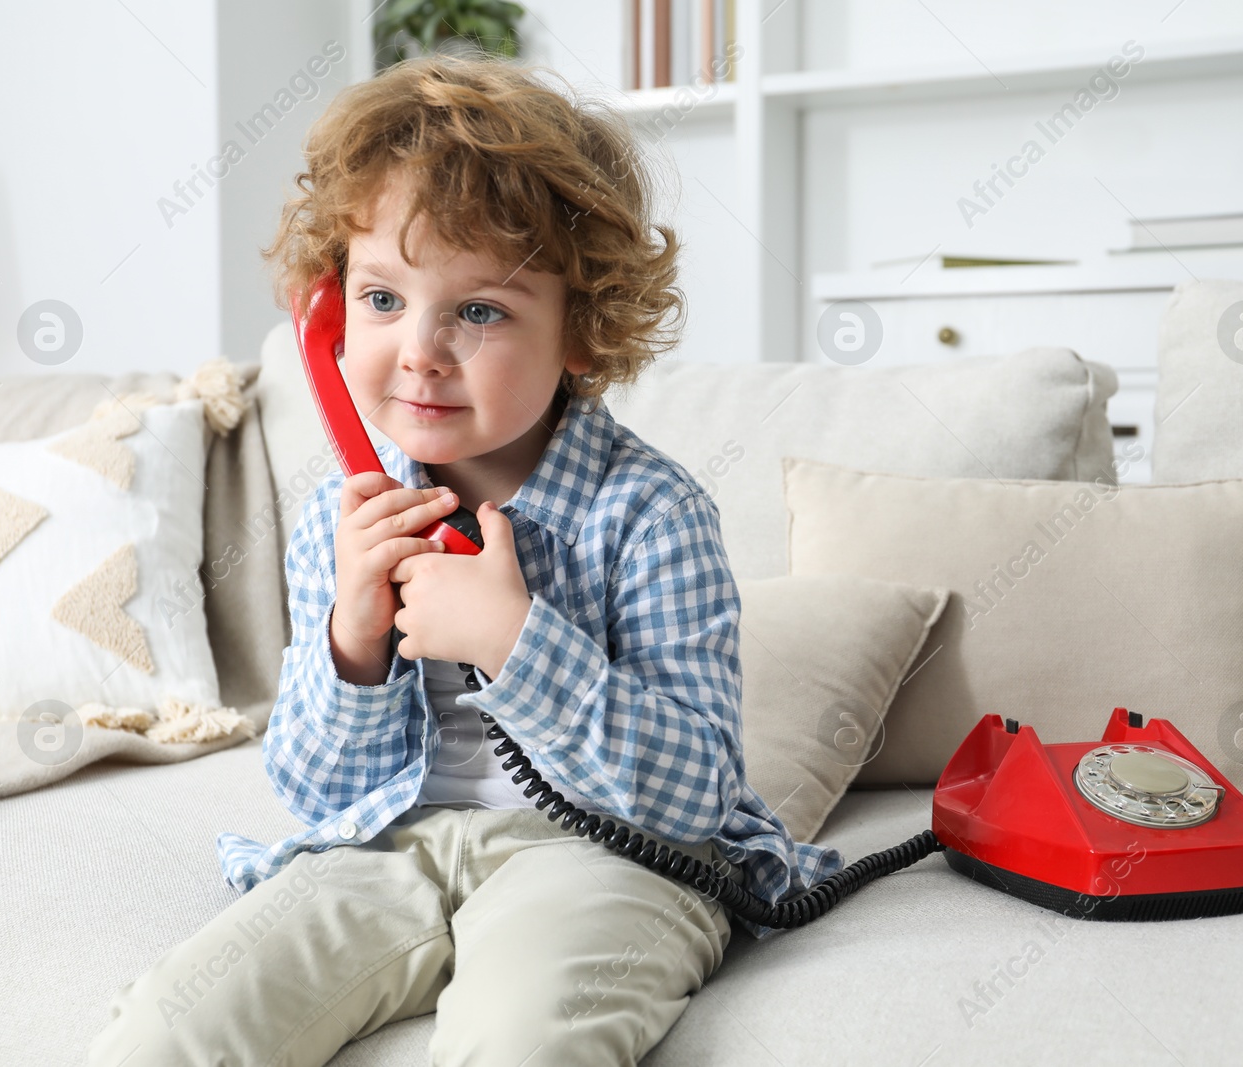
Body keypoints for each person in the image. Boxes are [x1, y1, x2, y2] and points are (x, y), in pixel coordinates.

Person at [88, 53, 844, 1067]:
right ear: (328, 317)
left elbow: (696, 792)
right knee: (167, 1027)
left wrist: (515, 643)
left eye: (478, 310)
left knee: (523, 1036)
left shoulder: (652, 514)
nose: (419, 351)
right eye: (382, 299)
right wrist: (354, 642)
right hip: (388, 846)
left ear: (582, 330)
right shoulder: (343, 519)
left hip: (598, 853)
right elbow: (316, 794)